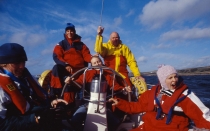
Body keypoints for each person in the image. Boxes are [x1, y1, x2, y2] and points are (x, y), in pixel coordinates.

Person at [109, 65, 210, 131]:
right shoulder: (153, 92)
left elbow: (203, 115)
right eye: (170, 78)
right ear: (162, 80)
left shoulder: (185, 95)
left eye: (176, 77)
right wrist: (119, 103)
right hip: (148, 127)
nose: (174, 80)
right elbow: (138, 106)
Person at [0, 43, 68, 131]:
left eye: (23, 61)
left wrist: (52, 102)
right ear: (3, 64)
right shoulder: (1, 88)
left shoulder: (27, 77)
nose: (22, 66)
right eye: (16, 63)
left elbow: (36, 98)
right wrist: (36, 119)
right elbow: (2, 125)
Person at [64, 56, 129, 131]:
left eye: (98, 61)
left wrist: (124, 89)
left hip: (104, 105)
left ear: (102, 62)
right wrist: (70, 81)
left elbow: (116, 87)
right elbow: (78, 82)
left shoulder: (108, 75)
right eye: (94, 63)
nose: (97, 64)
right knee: (75, 120)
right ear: (92, 65)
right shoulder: (87, 73)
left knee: (116, 122)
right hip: (87, 104)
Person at [51, 23, 92, 104]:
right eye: (68, 31)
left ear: (75, 32)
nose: (70, 33)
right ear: (65, 32)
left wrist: (93, 59)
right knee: (56, 68)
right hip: (67, 71)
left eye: (71, 31)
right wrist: (65, 64)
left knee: (93, 75)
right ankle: (56, 94)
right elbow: (56, 56)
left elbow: (86, 55)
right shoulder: (61, 44)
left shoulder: (81, 45)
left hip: (79, 72)